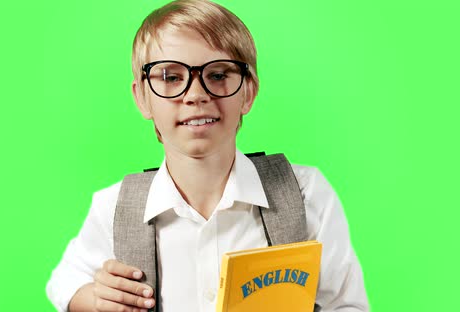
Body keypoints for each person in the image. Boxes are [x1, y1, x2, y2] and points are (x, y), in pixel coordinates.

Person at [46, 0, 369, 311]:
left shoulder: (306, 193)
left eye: (217, 75)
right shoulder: (113, 207)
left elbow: (346, 303)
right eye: (171, 77)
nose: (196, 94)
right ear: (142, 98)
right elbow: (63, 282)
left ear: (248, 91)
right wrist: (93, 298)